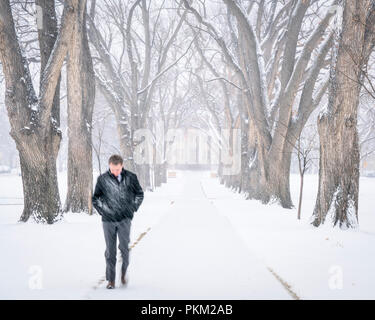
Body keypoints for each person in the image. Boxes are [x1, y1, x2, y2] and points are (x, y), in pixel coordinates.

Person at [92, 154, 144, 289]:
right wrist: (104, 210)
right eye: (113, 169)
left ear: (122, 166)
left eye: (118, 169)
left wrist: (132, 207)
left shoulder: (131, 177)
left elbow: (139, 194)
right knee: (110, 251)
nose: (115, 172)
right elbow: (96, 198)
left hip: (124, 219)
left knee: (124, 249)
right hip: (108, 221)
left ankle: (123, 273)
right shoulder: (102, 179)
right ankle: (111, 280)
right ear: (109, 166)